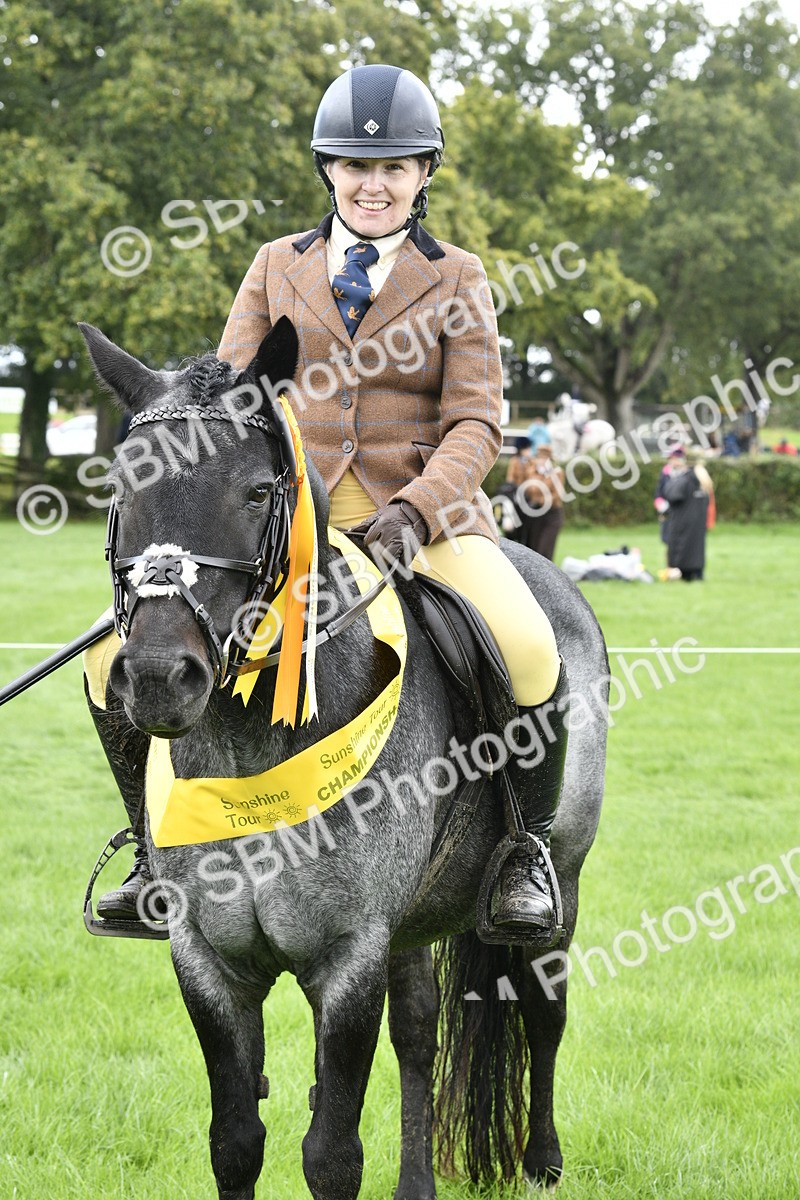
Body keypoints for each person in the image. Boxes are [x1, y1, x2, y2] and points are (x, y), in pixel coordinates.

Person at [99, 65, 569, 943]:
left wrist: (419, 510)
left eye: (395, 167)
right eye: (356, 166)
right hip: (281, 530)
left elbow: (477, 421)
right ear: (329, 172)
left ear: (425, 173)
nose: (374, 183)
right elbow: (228, 397)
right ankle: (146, 850)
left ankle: (522, 849)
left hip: (420, 524)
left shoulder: (459, 276)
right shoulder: (276, 265)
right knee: (108, 661)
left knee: (529, 642)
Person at [662, 449, 714, 581]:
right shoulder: (704, 481)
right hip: (698, 523)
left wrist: (672, 480)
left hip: (682, 522)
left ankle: (684, 574)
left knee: (682, 547)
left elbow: (671, 495)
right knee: (697, 548)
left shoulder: (685, 479)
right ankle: (697, 574)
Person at [511, 444, 565, 560]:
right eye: (539, 457)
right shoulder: (531, 471)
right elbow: (525, 488)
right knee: (533, 550)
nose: (541, 460)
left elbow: (557, 496)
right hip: (534, 515)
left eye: (544, 458)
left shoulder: (556, 472)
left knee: (544, 549)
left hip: (551, 514)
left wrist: (540, 500)